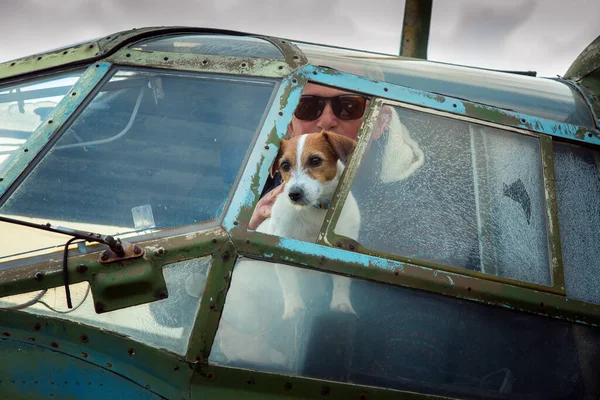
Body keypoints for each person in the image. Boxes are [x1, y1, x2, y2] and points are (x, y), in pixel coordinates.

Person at [248, 82, 369, 230]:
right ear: (290, 126)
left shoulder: (399, 200)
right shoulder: (251, 186)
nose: (326, 122)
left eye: (348, 107)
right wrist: (251, 225)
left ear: (379, 119)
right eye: (308, 107)